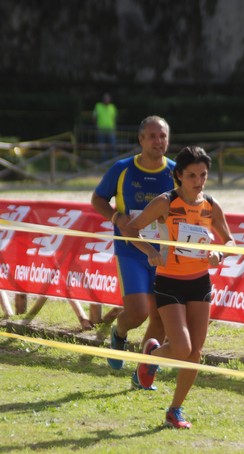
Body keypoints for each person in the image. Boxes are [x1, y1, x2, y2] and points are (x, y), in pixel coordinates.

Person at [128, 146, 235, 429]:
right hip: (169, 282)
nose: (198, 181)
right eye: (191, 176)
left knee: (195, 352)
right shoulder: (165, 202)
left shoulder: (211, 205)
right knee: (181, 349)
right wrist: (150, 251)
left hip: (200, 282)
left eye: (203, 175)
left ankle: (175, 410)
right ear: (179, 176)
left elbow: (231, 241)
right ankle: (150, 358)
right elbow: (131, 229)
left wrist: (219, 254)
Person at [91, 116, 175, 387]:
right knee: (138, 312)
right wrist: (116, 218)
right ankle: (120, 332)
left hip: (164, 254)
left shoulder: (176, 171)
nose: (158, 141)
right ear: (140, 140)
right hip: (131, 251)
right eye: (152, 136)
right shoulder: (123, 169)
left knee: (161, 316)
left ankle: (143, 371)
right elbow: (97, 199)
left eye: (162, 136)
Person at [92, 93, 118, 161]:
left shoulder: (112, 107)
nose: (106, 100)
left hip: (111, 130)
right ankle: (104, 161)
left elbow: (114, 118)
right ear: (103, 99)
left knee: (113, 146)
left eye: (108, 99)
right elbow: (94, 117)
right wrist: (96, 126)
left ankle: (114, 161)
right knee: (102, 147)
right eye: (105, 99)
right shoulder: (98, 106)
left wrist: (114, 128)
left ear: (110, 100)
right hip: (101, 130)